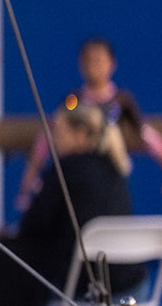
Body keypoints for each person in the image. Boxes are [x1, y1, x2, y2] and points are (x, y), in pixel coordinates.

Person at [14, 98, 138, 306]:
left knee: (22, 268)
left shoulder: (64, 170)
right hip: (129, 282)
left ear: (81, 134)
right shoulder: (115, 168)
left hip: (84, 286)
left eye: (59, 133)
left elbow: (32, 226)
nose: (54, 140)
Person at [17, 36, 162, 211]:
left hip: (111, 178)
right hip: (76, 180)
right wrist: (28, 182)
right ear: (80, 64)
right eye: (88, 60)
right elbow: (47, 138)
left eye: (99, 60)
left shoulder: (121, 102)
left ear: (112, 63)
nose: (93, 66)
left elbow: (145, 134)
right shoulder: (73, 101)